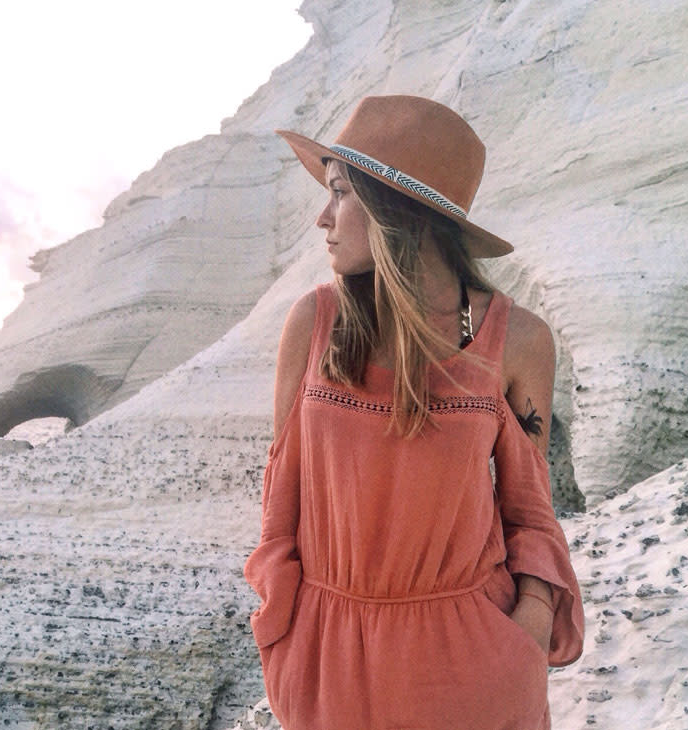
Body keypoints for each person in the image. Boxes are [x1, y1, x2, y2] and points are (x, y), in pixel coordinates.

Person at [243, 95, 584, 729]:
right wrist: (285, 634)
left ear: (400, 214)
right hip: (327, 669)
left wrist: (526, 633)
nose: (323, 217)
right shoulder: (313, 324)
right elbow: (280, 505)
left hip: (473, 673)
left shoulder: (518, 340)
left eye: (340, 192)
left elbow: (531, 513)